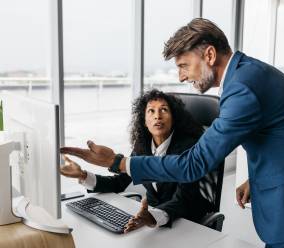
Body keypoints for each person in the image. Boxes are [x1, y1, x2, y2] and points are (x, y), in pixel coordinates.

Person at [61, 18, 284, 247]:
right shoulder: (245, 75)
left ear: (209, 55)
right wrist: (255, 179)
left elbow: (194, 164)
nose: (180, 77)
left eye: (184, 65)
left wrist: (116, 162)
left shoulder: (242, 89)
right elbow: (278, 139)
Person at [60, 89, 213, 233]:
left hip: (187, 223)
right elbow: (119, 182)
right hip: (152, 223)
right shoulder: (142, 146)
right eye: (151, 111)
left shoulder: (189, 148)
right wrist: (83, 176)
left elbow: (183, 200)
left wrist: (152, 217)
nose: (157, 116)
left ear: (174, 118)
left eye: (164, 110)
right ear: (144, 120)